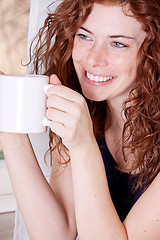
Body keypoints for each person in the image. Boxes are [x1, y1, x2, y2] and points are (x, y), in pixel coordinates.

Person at [1, 0, 160, 239]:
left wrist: (83, 146)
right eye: (85, 36)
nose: (94, 59)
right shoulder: (84, 110)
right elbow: (56, 234)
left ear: (153, 53)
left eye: (118, 43)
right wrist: (8, 124)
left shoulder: (80, 129)